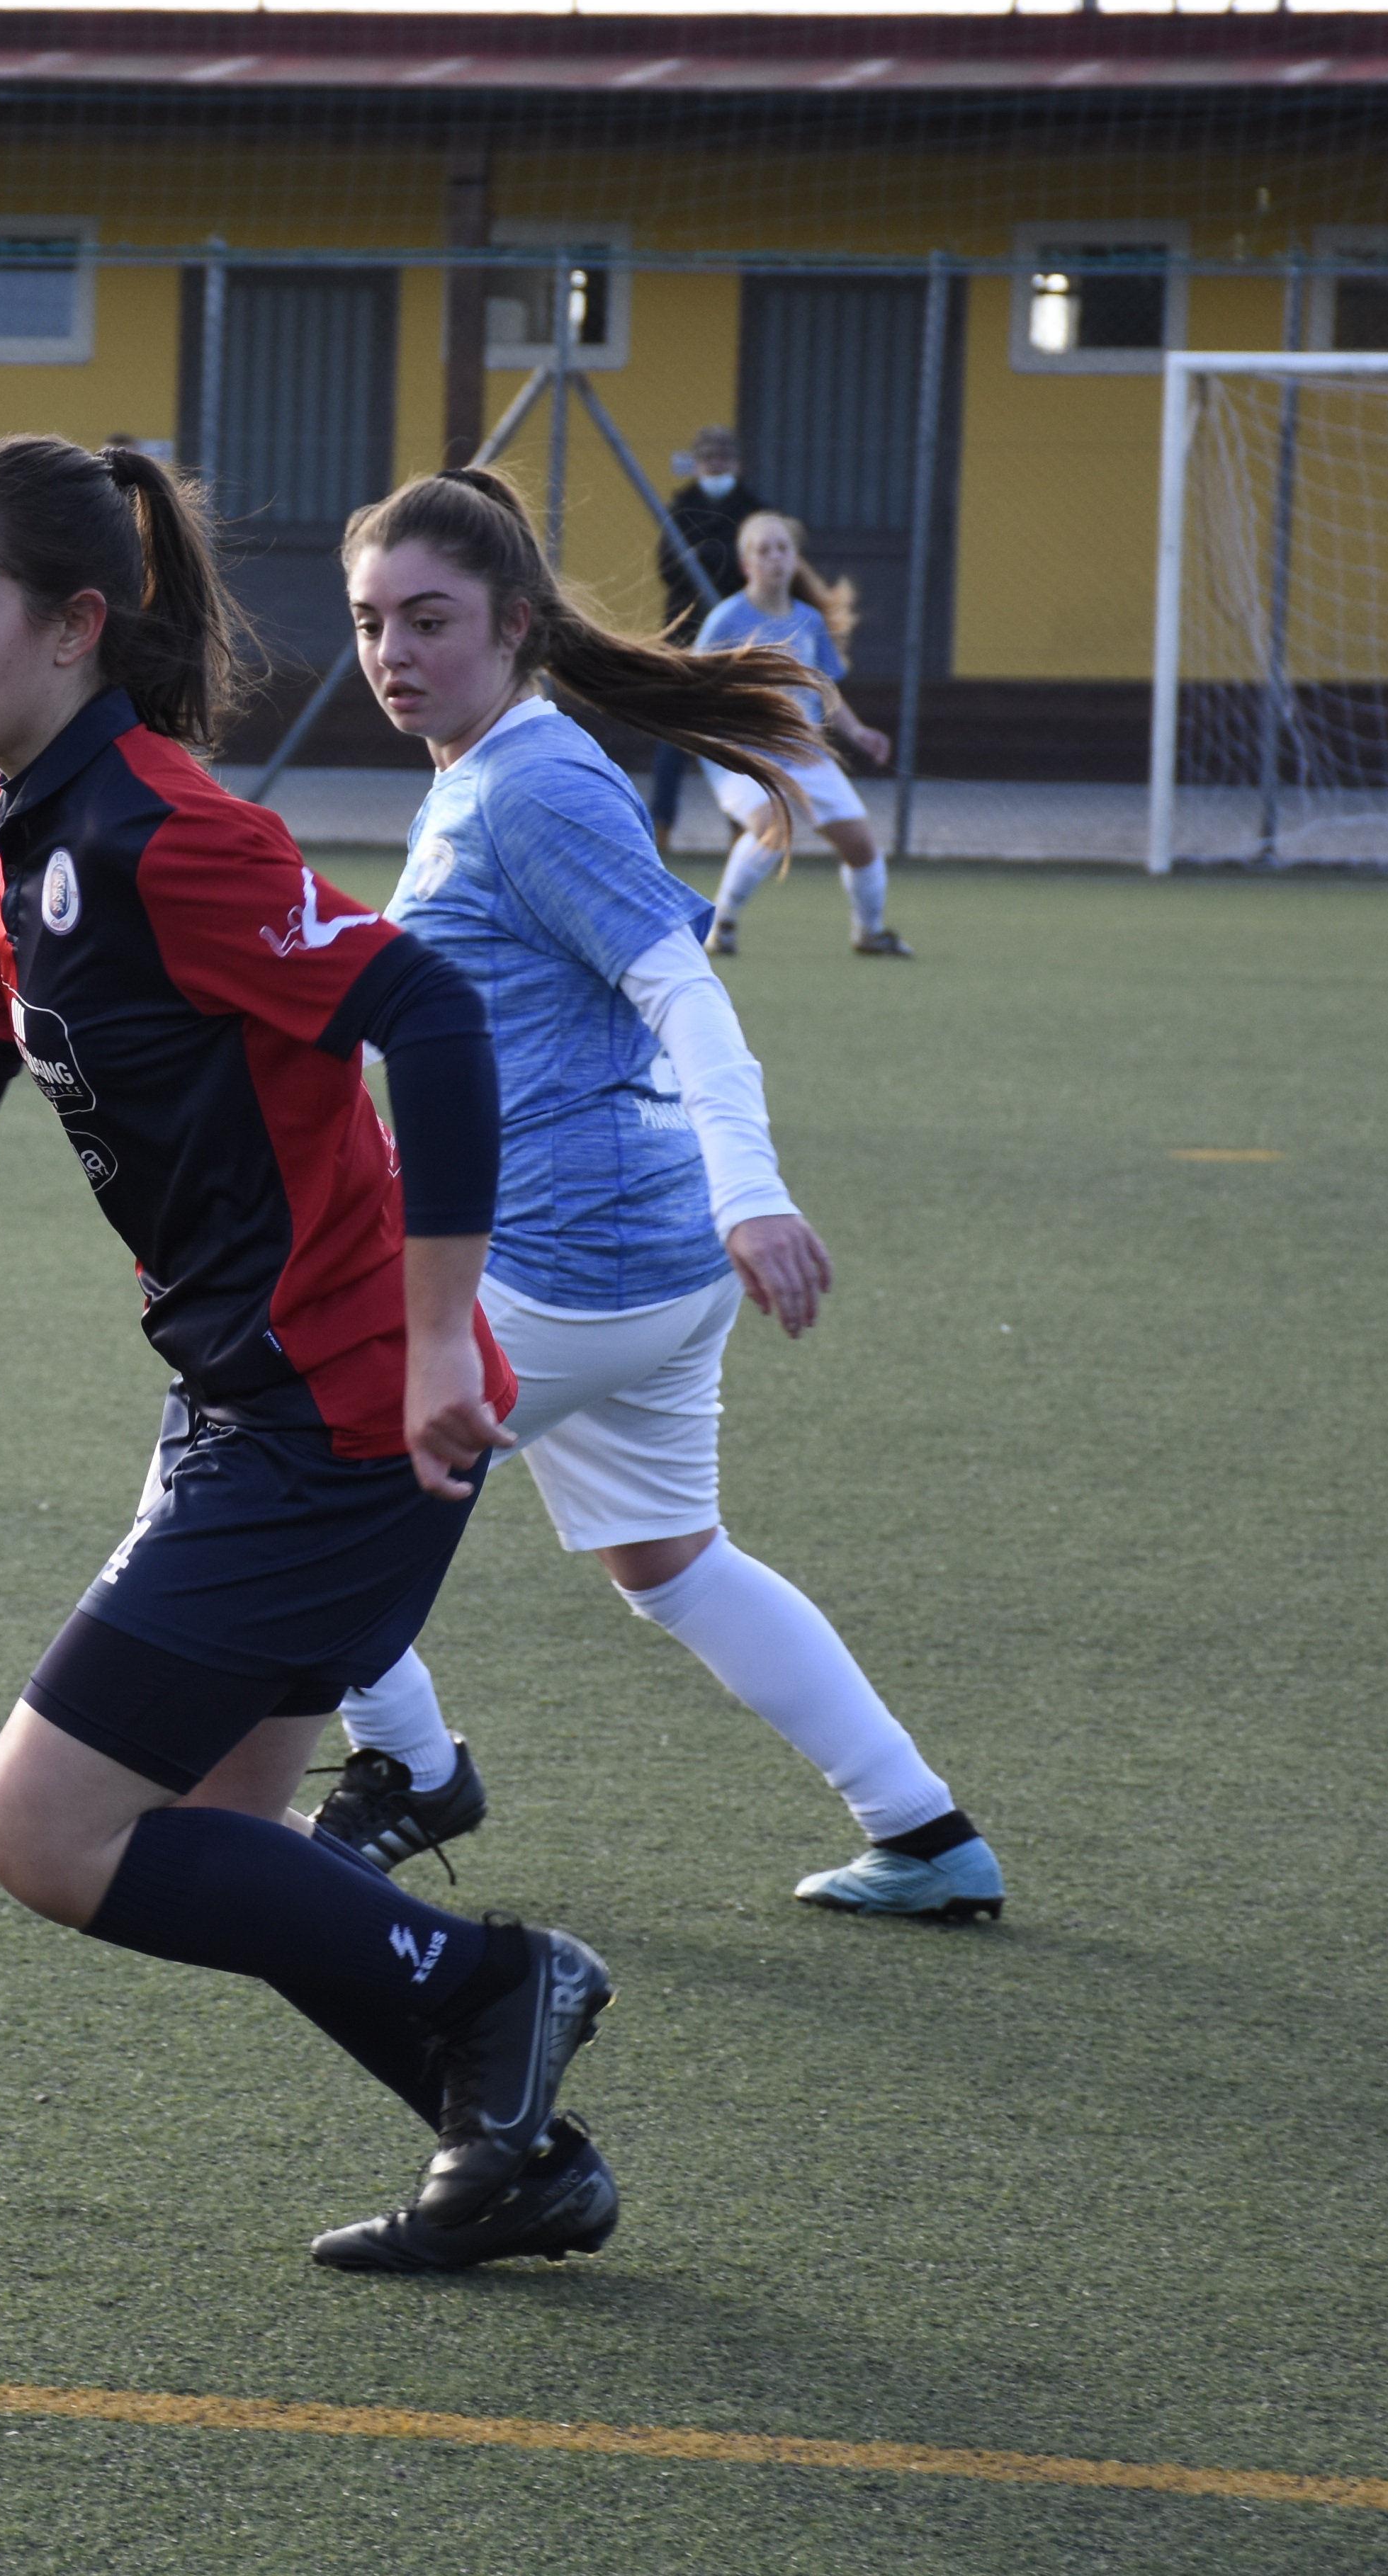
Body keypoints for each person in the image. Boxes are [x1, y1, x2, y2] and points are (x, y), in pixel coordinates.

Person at [0, 433, 624, 2276]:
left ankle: (503, 1983)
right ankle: (516, 2151)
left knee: (43, 1828)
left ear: (75, 624)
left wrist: (439, 1338)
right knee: (224, 1836)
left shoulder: (171, 835)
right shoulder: (0, 837)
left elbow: (430, 1014)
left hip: (348, 1410)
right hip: (253, 1399)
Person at [306, 467, 999, 1922]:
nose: (392, 653)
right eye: (370, 622)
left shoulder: (536, 783)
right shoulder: (487, 769)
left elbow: (684, 989)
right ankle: (925, 1832)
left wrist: (757, 1191)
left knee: (270, 1494)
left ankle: (415, 1770)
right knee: (672, 1561)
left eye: (429, 620)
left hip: (562, 1261)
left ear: (514, 623)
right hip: (640, 1263)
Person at [692, 514, 910, 958]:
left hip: (804, 754)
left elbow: (823, 686)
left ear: (795, 559)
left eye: (783, 549)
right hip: (745, 757)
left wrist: (857, 730)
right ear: (747, 565)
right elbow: (696, 686)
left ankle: (869, 933)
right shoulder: (727, 619)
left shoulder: (808, 621)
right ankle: (722, 928)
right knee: (774, 826)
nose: (775, 558)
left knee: (862, 846)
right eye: (764, 550)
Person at [644, 427, 764, 853]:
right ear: (697, 463)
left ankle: (742, 825)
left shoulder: (754, 511)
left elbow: (755, 568)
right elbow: (667, 566)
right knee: (674, 733)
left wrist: (712, 557)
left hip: (738, 636)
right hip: (685, 632)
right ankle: (661, 825)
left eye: (724, 457)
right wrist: (706, 560)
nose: (716, 464)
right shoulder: (681, 507)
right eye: (709, 457)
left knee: (735, 734)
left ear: (738, 463)